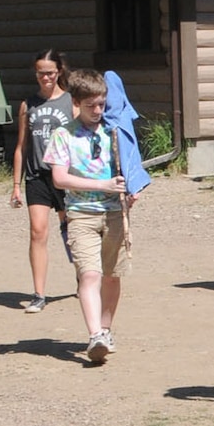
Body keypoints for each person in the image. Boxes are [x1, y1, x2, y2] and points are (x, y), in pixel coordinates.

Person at [47, 68, 132, 366]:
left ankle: (106, 331)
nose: (97, 111)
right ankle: (94, 334)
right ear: (76, 103)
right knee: (90, 274)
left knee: (111, 275)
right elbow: (59, 178)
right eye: (90, 106)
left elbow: (129, 169)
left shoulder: (114, 131)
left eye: (101, 105)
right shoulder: (63, 135)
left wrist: (131, 189)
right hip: (81, 214)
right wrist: (102, 185)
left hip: (114, 215)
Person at [10, 49, 73, 314]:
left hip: (65, 175)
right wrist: (15, 185)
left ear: (58, 71)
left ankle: (85, 278)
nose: (45, 78)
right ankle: (39, 293)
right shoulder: (28, 105)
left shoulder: (72, 102)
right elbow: (21, 146)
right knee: (38, 232)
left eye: (49, 72)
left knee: (71, 229)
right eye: (40, 73)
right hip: (36, 175)